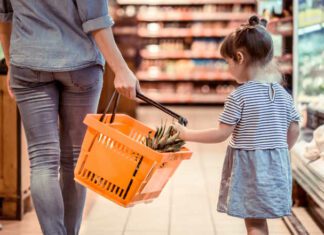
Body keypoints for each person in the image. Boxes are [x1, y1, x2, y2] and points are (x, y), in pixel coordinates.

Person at [0, 1, 140, 234]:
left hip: (28, 62)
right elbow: (96, 19)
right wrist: (122, 69)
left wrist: (10, 62)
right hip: (79, 62)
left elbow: (4, 15)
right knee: (75, 160)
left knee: (42, 161)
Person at [174, 15, 300, 235]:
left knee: (253, 222)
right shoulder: (283, 94)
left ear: (239, 57)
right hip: (276, 165)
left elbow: (221, 133)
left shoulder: (240, 96)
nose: (227, 67)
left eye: (227, 61)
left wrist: (187, 134)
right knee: (261, 220)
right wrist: (278, 150)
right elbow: (295, 128)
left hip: (251, 167)